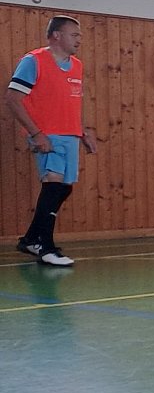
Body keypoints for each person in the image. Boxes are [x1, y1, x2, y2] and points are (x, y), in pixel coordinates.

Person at [7, 14, 97, 267]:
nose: (79, 39)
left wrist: (83, 131)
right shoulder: (33, 61)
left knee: (64, 187)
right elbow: (13, 98)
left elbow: (72, 102)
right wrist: (36, 133)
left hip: (70, 135)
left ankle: (30, 239)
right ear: (57, 35)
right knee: (53, 185)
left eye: (80, 35)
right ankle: (46, 248)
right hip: (47, 134)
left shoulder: (77, 65)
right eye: (74, 34)